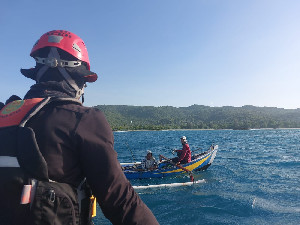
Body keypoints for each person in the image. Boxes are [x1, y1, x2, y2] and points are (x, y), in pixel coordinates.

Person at [0, 30, 158, 225]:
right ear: (76, 79)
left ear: (38, 74)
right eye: (84, 82)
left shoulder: (4, 114)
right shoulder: (84, 119)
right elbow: (120, 201)